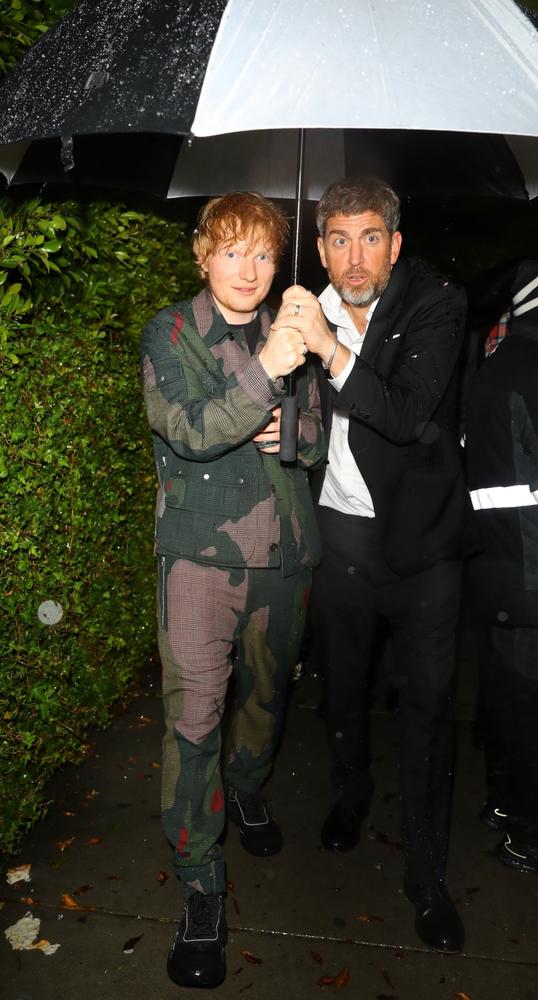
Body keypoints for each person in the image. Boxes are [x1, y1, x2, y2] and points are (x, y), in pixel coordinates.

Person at [271, 176, 468, 953]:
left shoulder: (437, 303)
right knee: (342, 691)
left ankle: (427, 874)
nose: (355, 258)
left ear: (396, 243)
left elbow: (407, 413)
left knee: (427, 711)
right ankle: (349, 798)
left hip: (422, 550)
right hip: (340, 538)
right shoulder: (297, 308)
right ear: (321, 248)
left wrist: (330, 347)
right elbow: (274, 408)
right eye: (339, 240)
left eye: (370, 238)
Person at [140, 191, 324, 989]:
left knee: (266, 699)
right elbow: (186, 429)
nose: (248, 270)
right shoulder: (171, 332)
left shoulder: (296, 327)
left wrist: (298, 430)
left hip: (284, 557)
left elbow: (316, 433)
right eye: (232, 251)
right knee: (193, 720)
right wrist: (267, 373)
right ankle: (201, 888)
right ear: (203, 255)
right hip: (198, 564)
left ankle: (247, 789)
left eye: (262, 253)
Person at [465, 258, 538, 875]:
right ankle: (528, 832)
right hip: (531, 574)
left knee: (507, 702)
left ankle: (504, 806)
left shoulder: (495, 369)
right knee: (527, 712)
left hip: (495, 574)